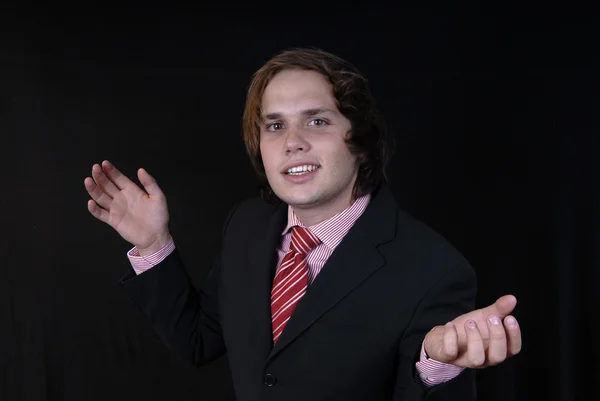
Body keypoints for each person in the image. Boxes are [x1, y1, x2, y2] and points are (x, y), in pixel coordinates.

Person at [84, 48, 521, 400]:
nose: (292, 143)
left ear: (362, 143)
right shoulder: (247, 226)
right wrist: (153, 245)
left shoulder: (435, 270)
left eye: (317, 120)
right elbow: (201, 340)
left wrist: (435, 364)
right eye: (275, 126)